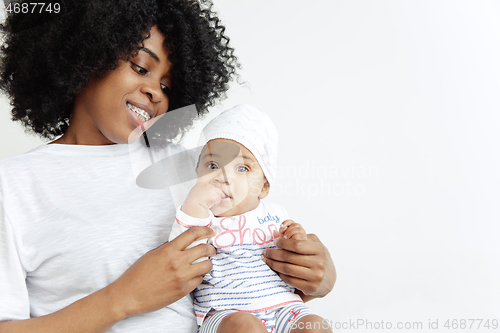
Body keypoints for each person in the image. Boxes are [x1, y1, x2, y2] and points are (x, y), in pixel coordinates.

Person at [0, 1, 336, 332]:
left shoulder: (197, 167)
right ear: (85, 53)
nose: (155, 93)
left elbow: (247, 271)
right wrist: (123, 298)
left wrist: (316, 276)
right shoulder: (13, 185)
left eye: (166, 87)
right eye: (141, 67)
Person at [169, 105, 333, 333]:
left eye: (242, 168)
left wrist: (296, 238)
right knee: (244, 327)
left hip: (284, 307)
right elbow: (180, 262)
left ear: (264, 186)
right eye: (213, 165)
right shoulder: (198, 217)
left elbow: (295, 258)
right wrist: (194, 206)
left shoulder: (275, 214)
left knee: (316, 326)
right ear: (197, 172)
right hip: (225, 313)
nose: (223, 177)